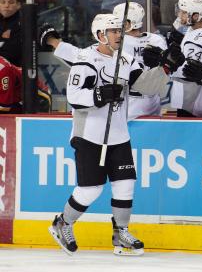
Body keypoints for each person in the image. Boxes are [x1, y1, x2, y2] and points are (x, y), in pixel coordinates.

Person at [48, 13, 184, 256]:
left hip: (118, 135)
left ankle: (121, 232)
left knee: (125, 183)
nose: (119, 36)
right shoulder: (86, 60)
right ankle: (63, 223)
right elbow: (75, 97)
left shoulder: (126, 59)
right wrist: (99, 95)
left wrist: (166, 67)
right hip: (90, 135)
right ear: (100, 35)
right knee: (91, 189)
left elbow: (144, 86)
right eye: (114, 31)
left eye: (120, 31)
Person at [168, 0, 202, 117]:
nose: (179, 15)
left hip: (194, 100)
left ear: (195, 16)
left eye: (184, 12)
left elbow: (190, 74)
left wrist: (169, 63)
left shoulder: (197, 41)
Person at [0, 0, 22, 66]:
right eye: (3, 2)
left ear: (18, 5)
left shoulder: (24, 24)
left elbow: (11, 53)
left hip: (12, 71)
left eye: (11, 2)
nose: (6, 5)